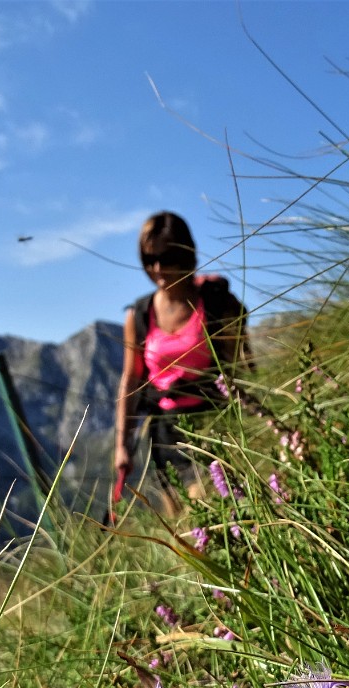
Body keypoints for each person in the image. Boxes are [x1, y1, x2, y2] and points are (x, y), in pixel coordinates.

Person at [113, 212, 247, 516]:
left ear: (187, 252)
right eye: (150, 259)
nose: (159, 268)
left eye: (168, 256)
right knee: (179, 523)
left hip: (212, 425)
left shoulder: (216, 304)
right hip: (163, 433)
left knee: (209, 508)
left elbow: (237, 370)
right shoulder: (139, 315)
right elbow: (130, 380)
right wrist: (122, 443)